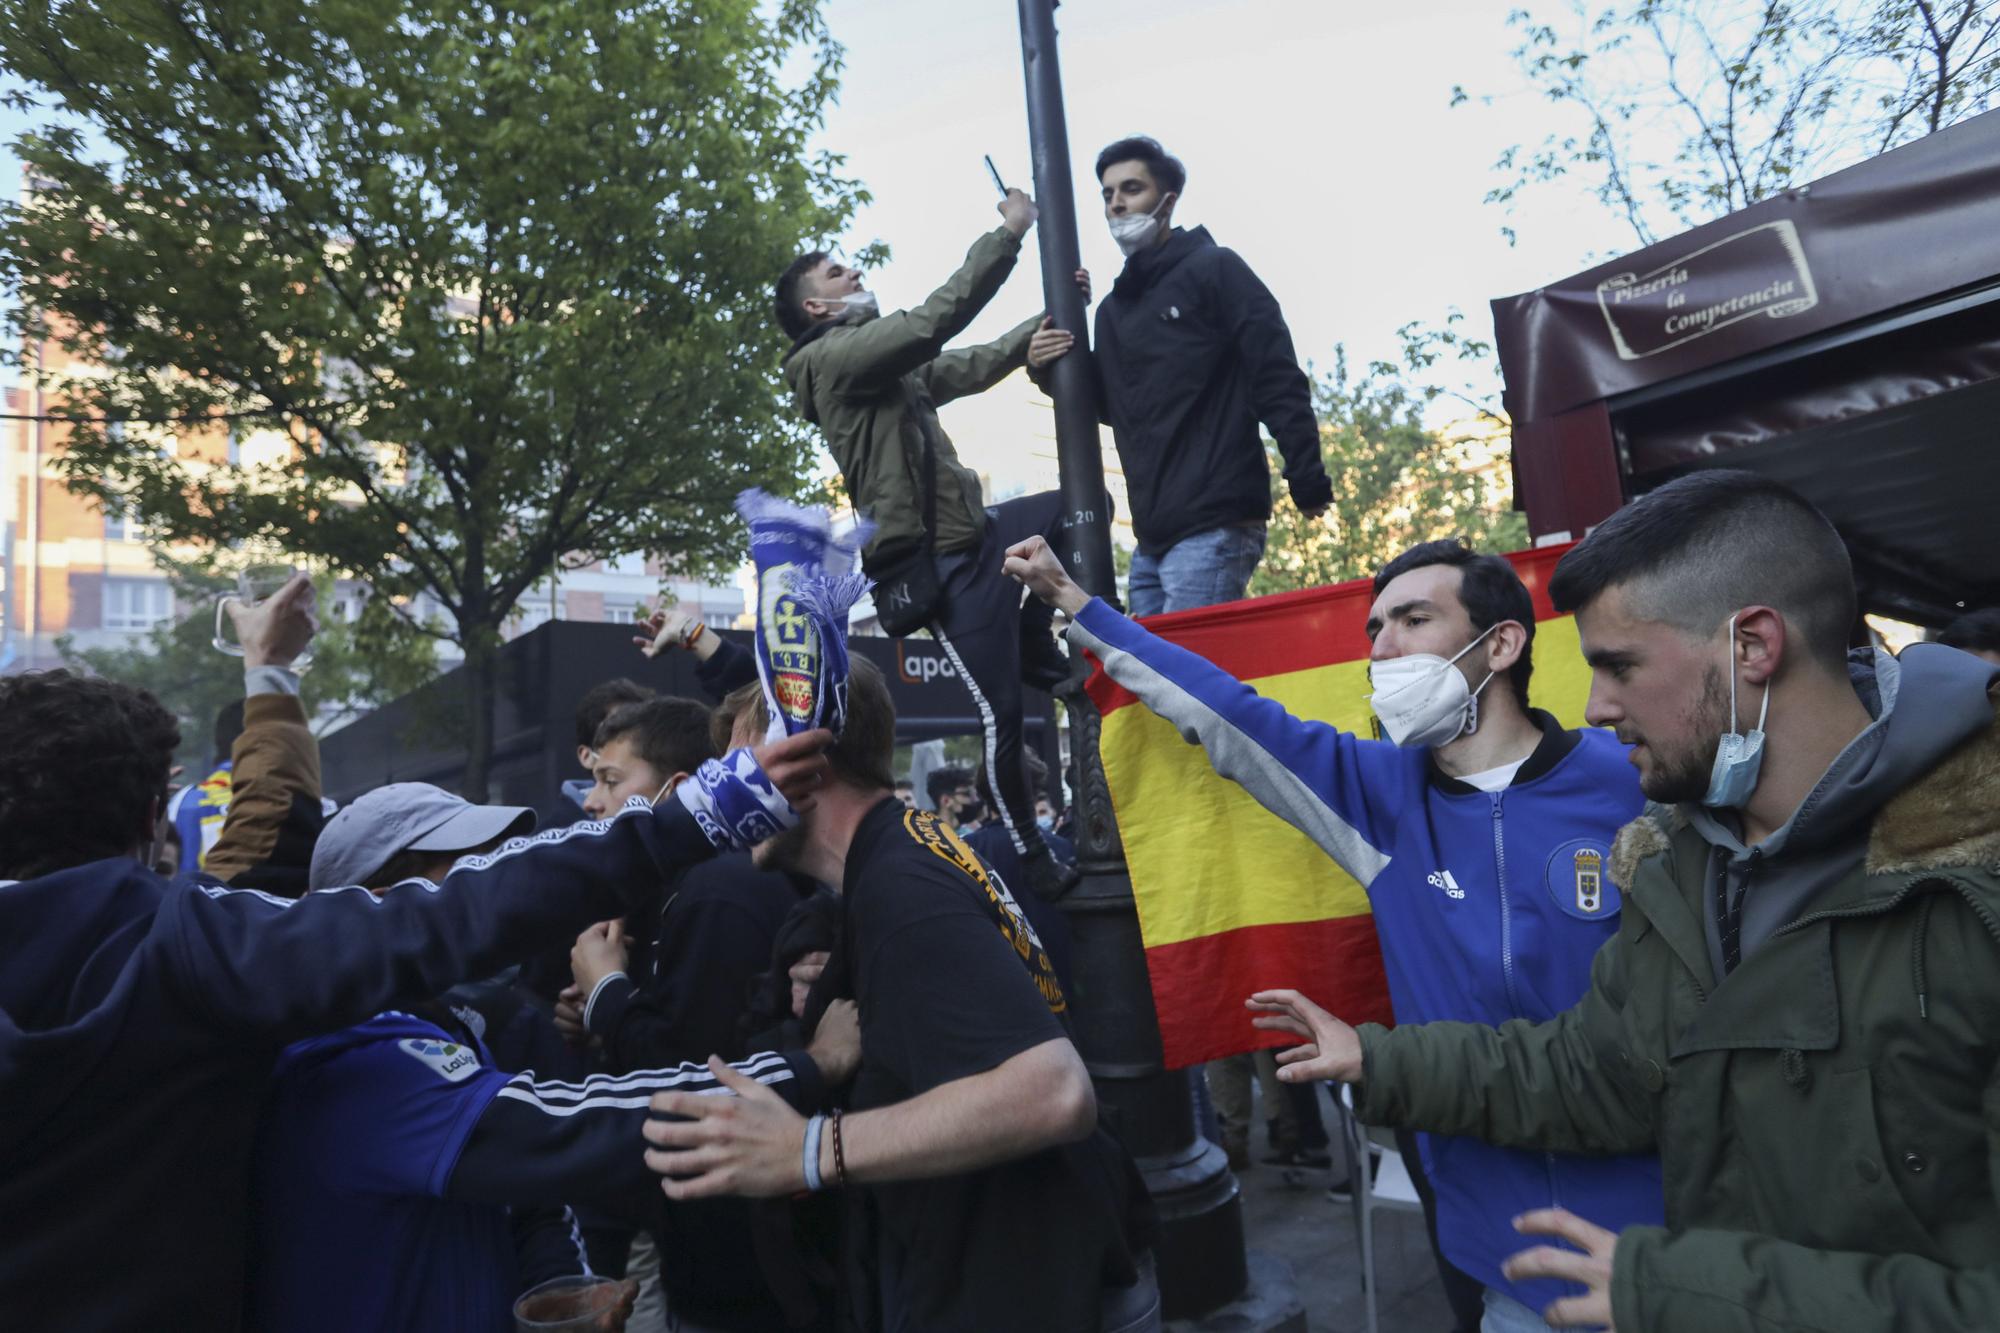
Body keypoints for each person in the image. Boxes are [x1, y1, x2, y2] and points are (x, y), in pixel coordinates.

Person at [1244, 469, 2000, 1333]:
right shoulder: (1679, 864)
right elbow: (1596, 1070)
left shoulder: (1973, 893)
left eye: (1620, 666)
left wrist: (1682, 1293)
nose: (1596, 706)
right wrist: (1377, 1062)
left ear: (1752, 645)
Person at [0, 572, 834, 1330]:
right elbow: (460, 939)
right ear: (153, 817)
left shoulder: (215, 947)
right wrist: (804, 1062)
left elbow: (275, 837)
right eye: (449, 862)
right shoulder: (231, 974)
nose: (470, 872)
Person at [1006, 533, 1664, 1333]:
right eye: (1373, 630)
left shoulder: (1632, 778)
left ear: (1502, 642)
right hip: (1502, 1262)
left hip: (1664, 1247)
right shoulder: (1380, 794)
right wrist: (1078, 606)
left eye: (1412, 620)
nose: (1382, 648)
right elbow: (1228, 714)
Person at [641, 660, 1161, 1333]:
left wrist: (809, 1147)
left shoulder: (900, 885)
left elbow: (1053, 1091)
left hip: (1021, 1291)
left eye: (738, 761)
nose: (721, 789)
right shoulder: (908, 848)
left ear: (810, 756)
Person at [249, 781, 859, 1333]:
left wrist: (554, 1285)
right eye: (465, 881)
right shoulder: (359, 1061)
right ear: (383, 902)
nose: (493, 901)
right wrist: (807, 1066)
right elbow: (575, 1126)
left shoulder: (441, 1028)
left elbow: (530, 1203)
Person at [773, 187, 1084, 897]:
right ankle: (1036, 860)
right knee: (1002, 715)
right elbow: (933, 325)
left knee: (1072, 505)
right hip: (943, 567)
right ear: (816, 310)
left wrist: (1040, 330)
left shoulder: (874, 365)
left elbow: (956, 367)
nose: (853, 273)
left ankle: (1037, 641)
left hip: (978, 535)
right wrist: (1006, 234)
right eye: (835, 274)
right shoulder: (836, 363)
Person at [566, 694, 810, 1333]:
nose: (592, 801)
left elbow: (692, 1080)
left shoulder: (715, 895)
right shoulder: (670, 893)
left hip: (737, 1269)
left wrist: (607, 999)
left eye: (611, 781)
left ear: (675, 792)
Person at [1085, 136, 1331, 615]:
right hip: (1151, 538)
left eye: (1131, 189)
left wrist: (1307, 476)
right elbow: (1116, 408)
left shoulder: (1216, 270)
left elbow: (1275, 374)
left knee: (1189, 680)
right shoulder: (1113, 310)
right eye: (1108, 194)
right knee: (1154, 681)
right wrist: (1046, 366)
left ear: (1168, 200)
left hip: (1215, 519)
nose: (1116, 203)